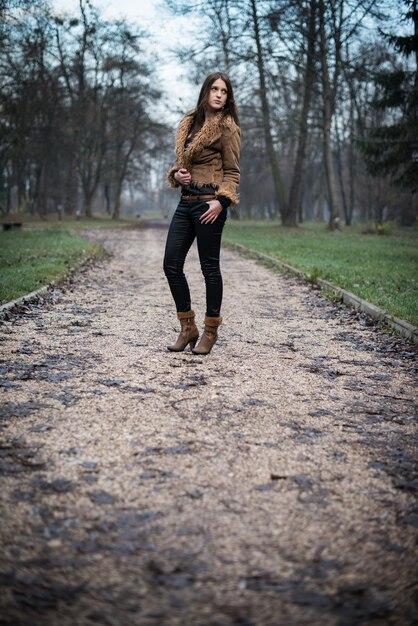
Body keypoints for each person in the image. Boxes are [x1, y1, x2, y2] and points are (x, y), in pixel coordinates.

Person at [163, 72, 241, 355]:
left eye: (224, 91)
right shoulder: (189, 123)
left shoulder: (227, 127)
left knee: (210, 268)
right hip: (185, 202)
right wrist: (177, 174)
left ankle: (210, 331)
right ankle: (187, 327)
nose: (219, 94)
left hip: (211, 204)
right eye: (214, 89)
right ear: (205, 92)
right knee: (171, 264)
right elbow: (181, 164)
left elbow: (232, 172)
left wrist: (222, 202)